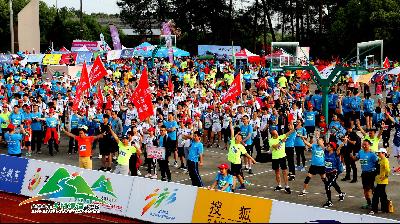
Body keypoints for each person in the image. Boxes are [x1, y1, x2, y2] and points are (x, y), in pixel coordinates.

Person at [227, 118, 256, 191]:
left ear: (240, 140)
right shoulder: (233, 141)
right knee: (238, 174)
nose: (237, 137)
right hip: (233, 162)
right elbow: (232, 131)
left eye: (239, 137)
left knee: (233, 175)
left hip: (237, 163)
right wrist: (230, 123)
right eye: (237, 136)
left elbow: (246, 154)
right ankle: (243, 185)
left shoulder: (241, 147)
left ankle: (232, 189)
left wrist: (252, 159)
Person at [352, 139, 379, 210]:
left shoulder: (372, 154)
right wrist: (351, 156)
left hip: (371, 173)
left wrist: (378, 173)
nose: (364, 146)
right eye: (363, 144)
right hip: (364, 174)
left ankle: (375, 203)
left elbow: (378, 163)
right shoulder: (360, 152)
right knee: (365, 190)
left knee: (372, 189)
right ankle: (369, 203)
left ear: (369, 145)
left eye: (365, 144)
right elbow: (356, 158)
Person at [269, 123, 295, 194]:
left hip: (282, 157)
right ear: (272, 134)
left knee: (284, 172)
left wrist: (295, 126)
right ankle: (279, 185)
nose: (277, 133)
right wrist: (281, 141)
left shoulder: (282, 136)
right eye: (275, 132)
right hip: (275, 158)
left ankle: (287, 186)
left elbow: (290, 132)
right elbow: (275, 147)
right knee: (277, 172)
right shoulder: (271, 141)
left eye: (276, 131)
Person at [323, 141, 346, 207]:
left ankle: (329, 201)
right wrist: (317, 138)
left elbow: (338, 148)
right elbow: (321, 145)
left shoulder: (335, 153)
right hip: (327, 173)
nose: (327, 147)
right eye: (327, 146)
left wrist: (343, 142)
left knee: (327, 186)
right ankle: (341, 194)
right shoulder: (326, 152)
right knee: (334, 184)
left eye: (329, 146)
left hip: (334, 173)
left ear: (332, 148)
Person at [369, 148, 390, 215]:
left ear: (383, 153)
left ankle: (374, 209)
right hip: (379, 180)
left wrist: (385, 176)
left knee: (376, 195)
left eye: (379, 153)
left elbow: (387, 170)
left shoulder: (385, 160)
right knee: (383, 195)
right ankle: (385, 209)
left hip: (382, 181)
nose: (378, 154)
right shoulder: (380, 160)